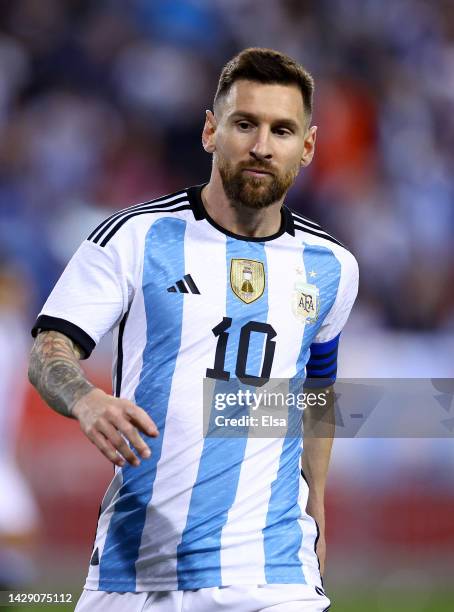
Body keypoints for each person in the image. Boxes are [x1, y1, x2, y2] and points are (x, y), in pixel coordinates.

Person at [28, 48, 358, 612]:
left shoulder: (332, 266)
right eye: (244, 124)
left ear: (306, 148)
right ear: (210, 131)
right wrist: (85, 399)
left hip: (275, 572)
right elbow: (48, 350)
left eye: (282, 130)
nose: (261, 145)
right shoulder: (133, 239)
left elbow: (315, 389)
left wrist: (317, 500)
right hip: (137, 572)